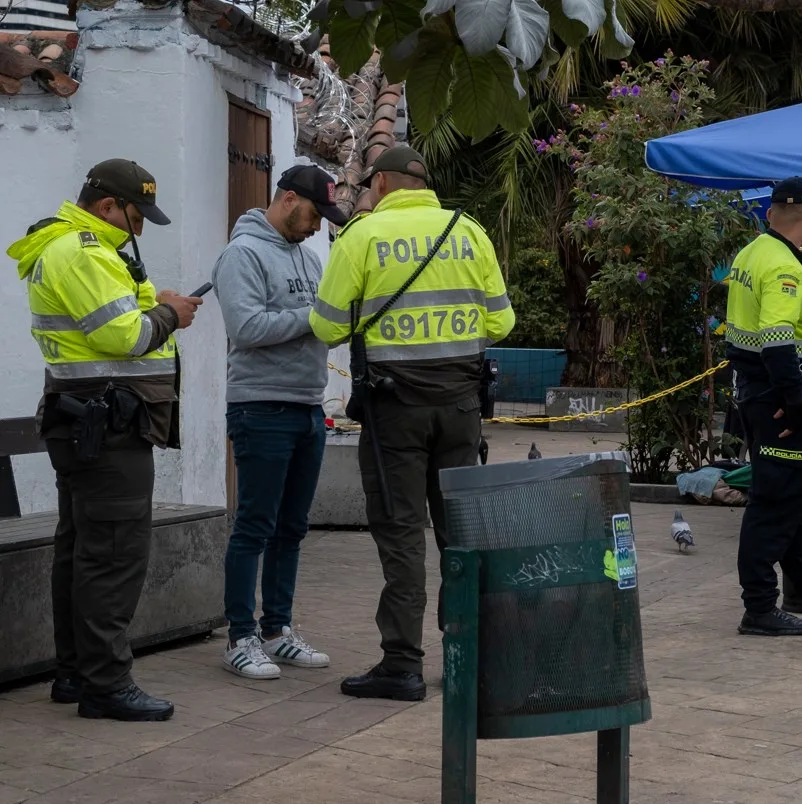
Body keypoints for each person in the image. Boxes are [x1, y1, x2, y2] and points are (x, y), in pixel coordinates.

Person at [309, 145, 515, 701]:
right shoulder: (468, 232)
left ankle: (401, 665)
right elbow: (501, 319)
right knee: (459, 536)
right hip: (460, 408)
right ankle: (465, 659)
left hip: (393, 409)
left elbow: (326, 327)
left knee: (402, 535)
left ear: (379, 185)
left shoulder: (362, 237)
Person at [6, 159, 201, 720]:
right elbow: (125, 335)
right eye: (136, 218)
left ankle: (76, 674)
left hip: (90, 423)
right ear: (108, 206)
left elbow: (110, 320)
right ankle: (106, 685)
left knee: (83, 552)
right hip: (108, 426)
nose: (138, 231)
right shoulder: (84, 252)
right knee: (112, 556)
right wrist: (169, 314)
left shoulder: (79, 250)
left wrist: (156, 301)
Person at [213, 164, 346, 679]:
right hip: (261, 406)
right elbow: (245, 328)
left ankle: (278, 629)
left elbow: (322, 327)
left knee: (292, 528)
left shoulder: (311, 259)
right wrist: (315, 318)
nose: (317, 227)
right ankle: (240, 636)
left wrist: (337, 320)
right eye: (314, 214)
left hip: (307, 406)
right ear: (288, 199)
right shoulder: (242, 254)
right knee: (254, 525)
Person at [726, 176, 802, 636]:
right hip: (777, 399)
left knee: (793, 498)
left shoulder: (751, 253)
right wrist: (796, 401)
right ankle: (759, 607)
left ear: (772, 214)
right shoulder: (784, 267)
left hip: (755, 392)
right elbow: (777, 341)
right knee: (774, 502)